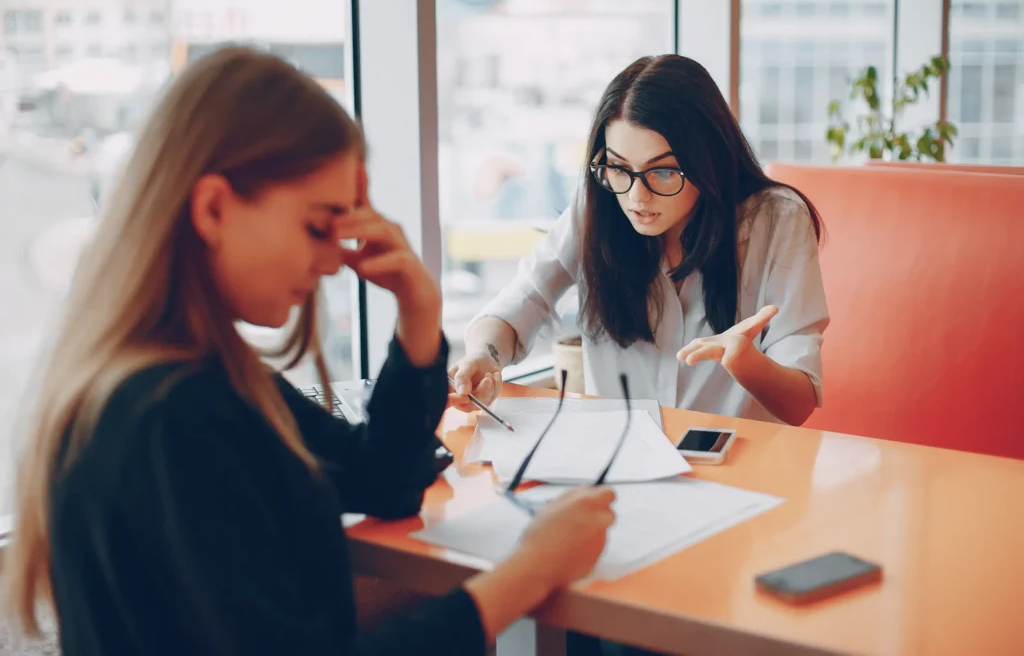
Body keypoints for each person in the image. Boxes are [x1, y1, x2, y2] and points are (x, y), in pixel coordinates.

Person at [0, 47, 616, 656]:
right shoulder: (174, 415)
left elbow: (386, 481)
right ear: (214, 207)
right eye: (317, 225)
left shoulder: (204, 380)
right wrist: (527, 573)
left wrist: (418, 313)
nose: (332, 261)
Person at [450, 54, 829, 427]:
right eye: (618, 167)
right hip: (618, 464)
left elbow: (797, 405)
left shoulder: (777, 218)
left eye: (662, 171)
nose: (636, 197)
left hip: (738, 471)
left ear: (708, 158)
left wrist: (744, 361)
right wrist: (484, 357)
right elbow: (525, 298)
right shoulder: (598, 206)